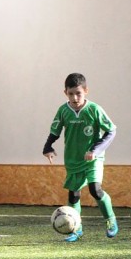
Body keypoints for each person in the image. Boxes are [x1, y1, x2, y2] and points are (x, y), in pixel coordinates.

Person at [42, 73, 119, 241]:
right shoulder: (63, 111)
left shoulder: (94, 109)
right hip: (73, 159)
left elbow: (111, 131)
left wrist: (95, 150)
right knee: (74, 195)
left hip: (93, 159)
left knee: (95, 190)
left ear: (86, 91)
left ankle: (111, 220)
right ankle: (76, 229)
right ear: (65, 93)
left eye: (78, 93)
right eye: (71, 94)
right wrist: (48, 147)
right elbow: (55, 131)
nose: (75, 98)